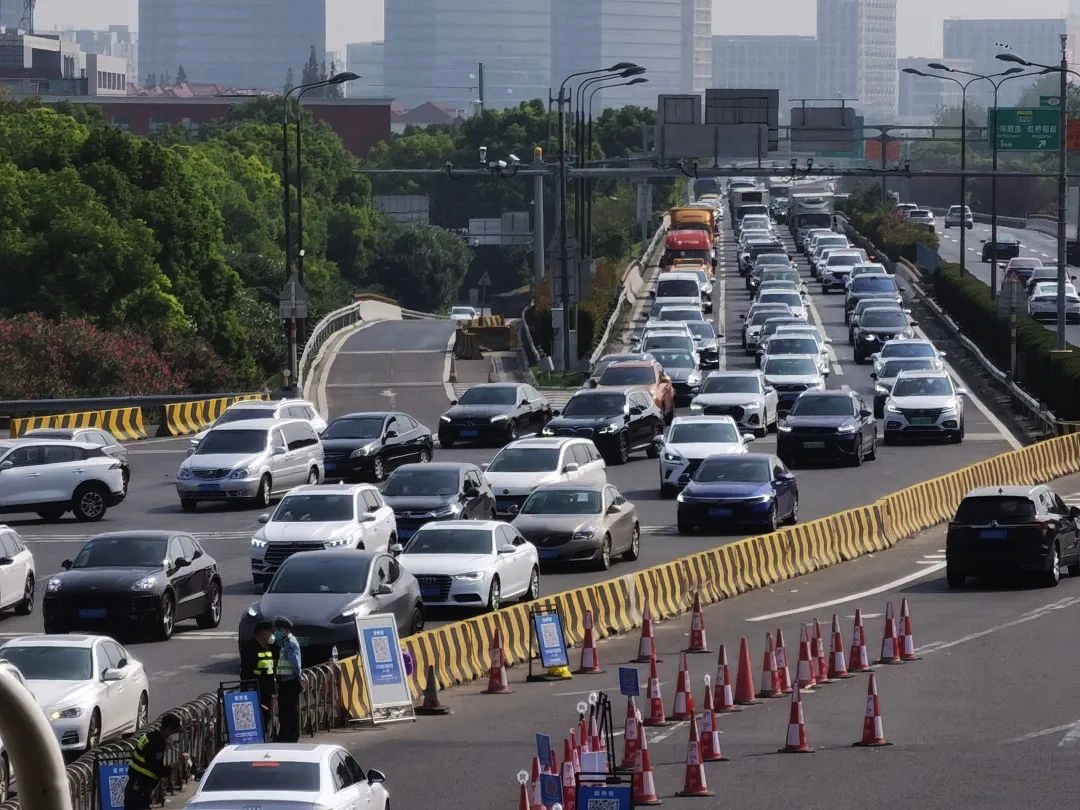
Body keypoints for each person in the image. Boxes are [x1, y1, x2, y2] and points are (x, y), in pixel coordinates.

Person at [124, 713, 183, 810]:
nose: (176, 736)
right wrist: (175, 764)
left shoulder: (149, 736)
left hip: (134, 784)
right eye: (175, 731)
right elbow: (158, 770)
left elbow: (146, 758)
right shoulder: (157, 745)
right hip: (140, 789)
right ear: (168, 729)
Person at [274, 615, 302, 743]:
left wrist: (298, 679)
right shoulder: (285, 643)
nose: (276, 632)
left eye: (278, 629)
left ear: (285, 630)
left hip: (290, 681)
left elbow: (295, 663)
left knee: (290, 711)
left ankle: (291, 736)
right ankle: (286, 734)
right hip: (284, 681)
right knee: (285, 710)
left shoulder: (290, 643)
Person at [252, 621, 277, 738]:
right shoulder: (251, 648)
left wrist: (273, 689)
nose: (272, 635)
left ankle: (265, 734)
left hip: (267, 688)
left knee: (266, 713)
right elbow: (247, 669)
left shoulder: (269, 647)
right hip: (255, 688)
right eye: (270, 632)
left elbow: (271, 669)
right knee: (256, 715)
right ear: (262, 633)